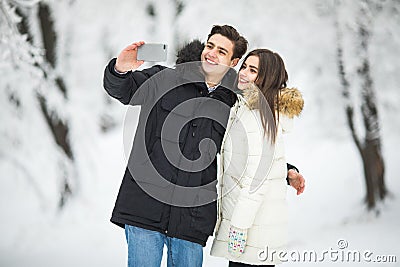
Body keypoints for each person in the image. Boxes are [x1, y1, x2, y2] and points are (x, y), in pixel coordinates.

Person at [103, 25, 304, 267]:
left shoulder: (235, 102)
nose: (211, 53)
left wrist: (286, 170)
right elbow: (123, 89)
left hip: (192, 218)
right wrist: (120, 69)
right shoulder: (166, 78)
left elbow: (244, 150)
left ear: (233, 61)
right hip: (144, 207)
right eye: (210, 46)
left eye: (221, 51)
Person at [210, 49, 304, 267]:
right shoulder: (248, 107)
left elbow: (257, 177)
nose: (243, 73)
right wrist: (287, 171)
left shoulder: (259, 114)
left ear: (266, 78)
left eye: (253, 70)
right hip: (254, 228)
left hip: (252, 231)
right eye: (244, 66)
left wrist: (239, 229)